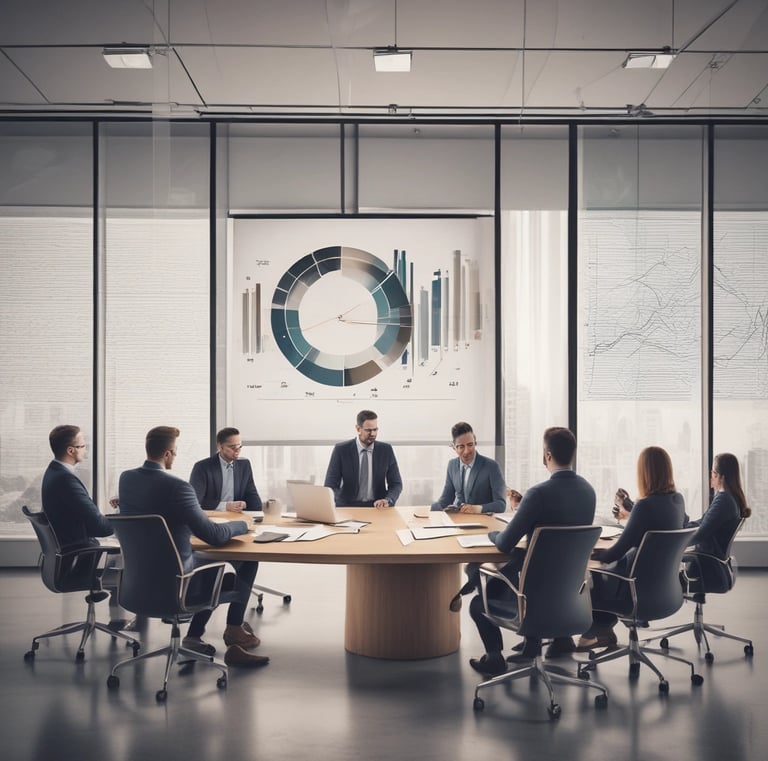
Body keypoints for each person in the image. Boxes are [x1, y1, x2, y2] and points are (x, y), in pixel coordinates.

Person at [118, 426, 268, 669]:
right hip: (177, 584)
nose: (176, 456)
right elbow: (214, 536)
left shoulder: (127, 479)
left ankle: (195, 637)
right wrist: (243, 525)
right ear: (168, 454)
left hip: (138, 583)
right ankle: (233, 632)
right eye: (175, 451)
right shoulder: (178, 487)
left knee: (210, 566)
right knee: (244, 565)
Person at [468, 427, 596, 676]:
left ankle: (494, 658)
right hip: (572, 600)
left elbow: (504, 543)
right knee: (533, 569)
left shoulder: (538, 494)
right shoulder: (588, 492)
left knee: (477, 602)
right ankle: (540, 644)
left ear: (547, 455)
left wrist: (492, 533)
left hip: (533, 603)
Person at [578, 445, 686, 651]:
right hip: (665, 590)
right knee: (605, 574)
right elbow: (657, 523)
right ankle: (603, 632)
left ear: (644, 473)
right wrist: (630, 511)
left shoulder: (645, 506)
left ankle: (596, 633)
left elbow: (616, 553)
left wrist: (592, 553)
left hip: (635, 589)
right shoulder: (677, 500)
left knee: (592, 576)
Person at [41, 424, 129, 629]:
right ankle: (119, 621)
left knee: (118, 551)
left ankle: (118, 620)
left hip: (66, 554)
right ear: (71, 450)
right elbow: (102, 528)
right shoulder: (66, 480)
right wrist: (123, 511)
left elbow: (85, 516)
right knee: (124, 557)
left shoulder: (53, 472)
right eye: (83, 446)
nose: (86, 449)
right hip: (76, 559)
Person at [683, 453, 751, 591]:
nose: (711, 476)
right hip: (712, 560)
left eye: (713, 472)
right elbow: (704, 522)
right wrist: (684, 527)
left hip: (706, 563)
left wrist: (675, 544)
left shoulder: (723, 500)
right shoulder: (730, 497)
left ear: (721, 477)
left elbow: (700, 534)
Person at [324, 410, 403, 507]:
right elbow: (330, 485)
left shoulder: (386, 450)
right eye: (368, 430)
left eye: (375, 429)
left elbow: (396, 484)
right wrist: (339, 501)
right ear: (358, 428)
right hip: (348, 507)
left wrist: (387, 500)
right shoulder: (341, 450)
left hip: (377, 507)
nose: (372, 434)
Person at [431, 421, 506, 515]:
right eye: (461, 446)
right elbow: (446, 500)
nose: (466, 451)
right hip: (459, 520)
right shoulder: (452, 465)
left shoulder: (492, 466)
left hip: (482, 520)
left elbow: (501, 505)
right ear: (454, 447)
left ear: (475, 443)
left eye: (470, 445)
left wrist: (477, 509)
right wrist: (427, 509)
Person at [189, 427, 262, 513]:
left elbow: (255, 503)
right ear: (220, 447)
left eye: (239, 446)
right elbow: (194, 501)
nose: (237, 450)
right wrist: (225, 506)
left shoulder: (244, 466)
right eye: (233, 447)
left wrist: (244, 504)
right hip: (212, 517)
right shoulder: (202, 467)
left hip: (236, 516)